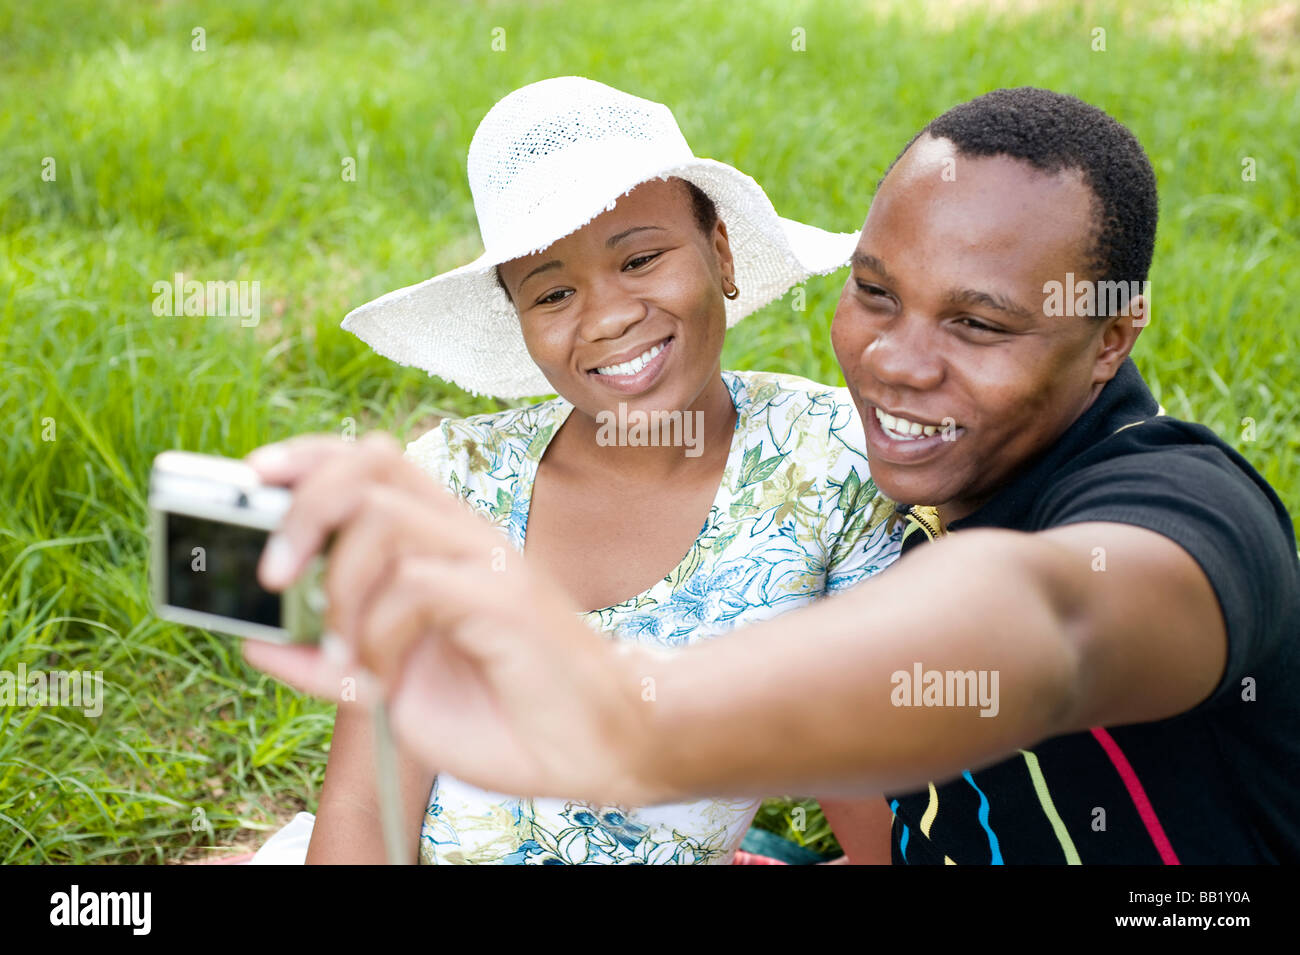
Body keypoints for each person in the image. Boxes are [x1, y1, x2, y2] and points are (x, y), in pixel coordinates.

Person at [245, 87, 1300, 864]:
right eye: (876, 294)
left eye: (978, 322)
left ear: (1111, 337)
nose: (895, 359)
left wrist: (625, 714)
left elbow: (1050, 628)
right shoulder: (918, 488)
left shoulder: (1186, 509)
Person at [249, 77, 902, 865]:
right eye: (553, 291)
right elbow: (364, 804)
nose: (608, 317)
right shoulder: (457, 482)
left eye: (641, 258)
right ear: (522, 322)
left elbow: (872, 792)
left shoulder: (828, 464)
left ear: (721, 251)